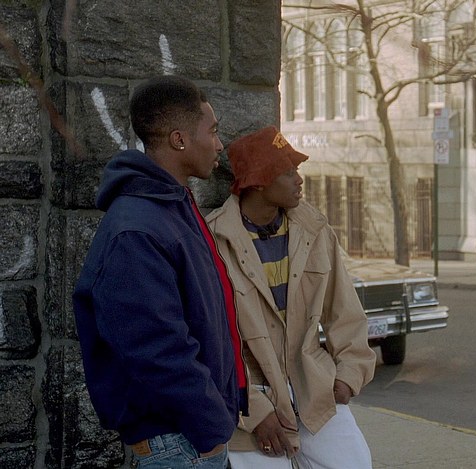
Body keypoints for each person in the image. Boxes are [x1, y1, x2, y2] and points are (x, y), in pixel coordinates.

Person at [73, 75, 247, 468]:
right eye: (212, 131)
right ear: (179, 139)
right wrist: (209, 427)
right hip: (178, 444)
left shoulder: (173, 207)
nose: (219, 144)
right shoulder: (137, 229)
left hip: (190, 438)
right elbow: (156, 349)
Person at [205, 126, 376, 469]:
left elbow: (345, 312)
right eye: (287, 172)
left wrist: (348, 375)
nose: (299, 179)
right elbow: (211, 342)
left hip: (316, 389)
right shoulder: (214, 240)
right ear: (258, 182)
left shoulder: (315, 229)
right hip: (251, 403)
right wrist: (253, 410)